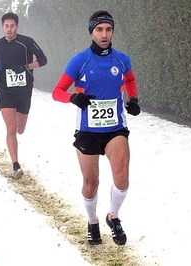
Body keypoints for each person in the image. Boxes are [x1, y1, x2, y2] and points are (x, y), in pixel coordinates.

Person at [52, 10, 141, 246]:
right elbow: (57, 91)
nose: (104, 34)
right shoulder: (80, 60)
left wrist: (133, 99)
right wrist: (72, 98)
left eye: (108, 29)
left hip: (115, 128)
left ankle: (113, 216)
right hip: (87, 130)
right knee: (91, 183)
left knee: (121, 176)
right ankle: (92, 221)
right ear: (92, 32)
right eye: (99, 29)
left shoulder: (122, 59)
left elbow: (130, 80)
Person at [0, 12, 47, 179]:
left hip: (24, 91)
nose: (9, 29)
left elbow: (43, 60)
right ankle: (15, 165)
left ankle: (15, 160)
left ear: (17, 26)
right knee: (11, 128)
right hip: (6, 91)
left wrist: (26, 67)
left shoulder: (27, 42)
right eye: (6, 26)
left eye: (12, 26)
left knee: (20, 129)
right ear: (2, 27)